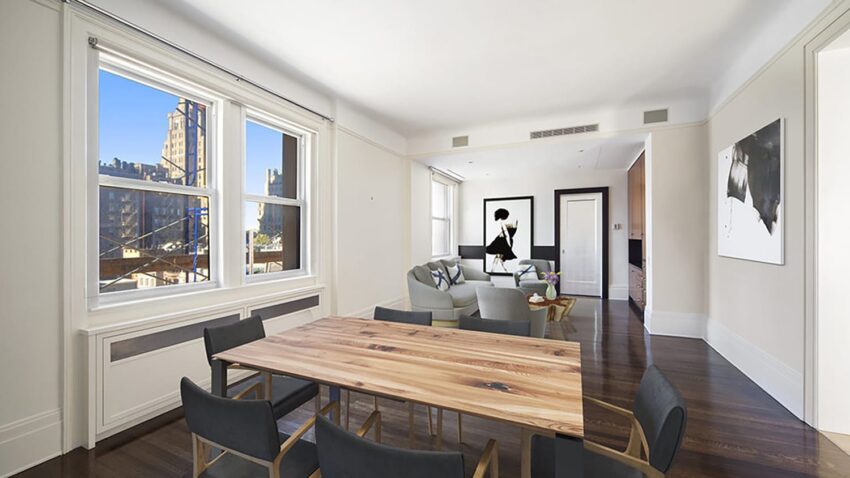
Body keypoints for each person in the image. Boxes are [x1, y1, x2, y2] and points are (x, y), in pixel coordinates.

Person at [485, 208, 518, 272]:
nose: (500, 219)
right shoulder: (512, 221)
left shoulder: (505, 222)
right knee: (499, 256)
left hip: (503, 240)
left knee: (499, 256)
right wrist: (510, 245)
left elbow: (507, 234)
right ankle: (498, 271)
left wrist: (509, 245)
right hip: (501, 240)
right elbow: (508, 234)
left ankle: (499, 270)